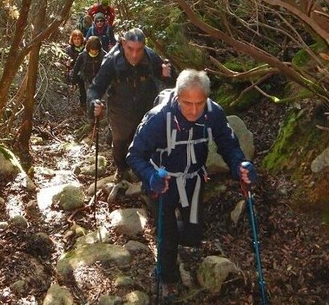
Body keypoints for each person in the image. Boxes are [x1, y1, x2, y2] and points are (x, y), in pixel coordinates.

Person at [126, 69, 257, 298]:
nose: (194, 110)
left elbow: (228, 145)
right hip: (163, 183)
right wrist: (150, 177)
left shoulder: (213, 113)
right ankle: (167, 277)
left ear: (206, 98)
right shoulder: (158, 117)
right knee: (166, 239)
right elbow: (134, 155)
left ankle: (171, 236)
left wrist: (240, 166)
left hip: (193, 181)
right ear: (177, 97)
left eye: (199, 103)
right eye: (187, 103)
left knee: (193, 236)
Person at [87, 28, 173, 181]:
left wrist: (166, 75)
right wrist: (94, 103)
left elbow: (171, 80)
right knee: (120, 141)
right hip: (119, 108)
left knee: (146, 139)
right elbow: (96, 88)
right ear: (123, 43)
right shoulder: (112, 60)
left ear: (144, 46)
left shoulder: (151, 56)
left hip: (146, 105)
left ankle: (144, 172)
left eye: (139, 50)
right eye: (130, 49)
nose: (135, 55)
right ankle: (121, 169)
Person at [63, 29, 86, 107]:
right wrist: (67, 63)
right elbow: (64, 60)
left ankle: (84, 102)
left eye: (78, 39)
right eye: (75, 39)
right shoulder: (69, 49)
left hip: (85, 70)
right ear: (72, 40)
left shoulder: (86, 48)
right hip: (74, 71)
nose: (77, 41)